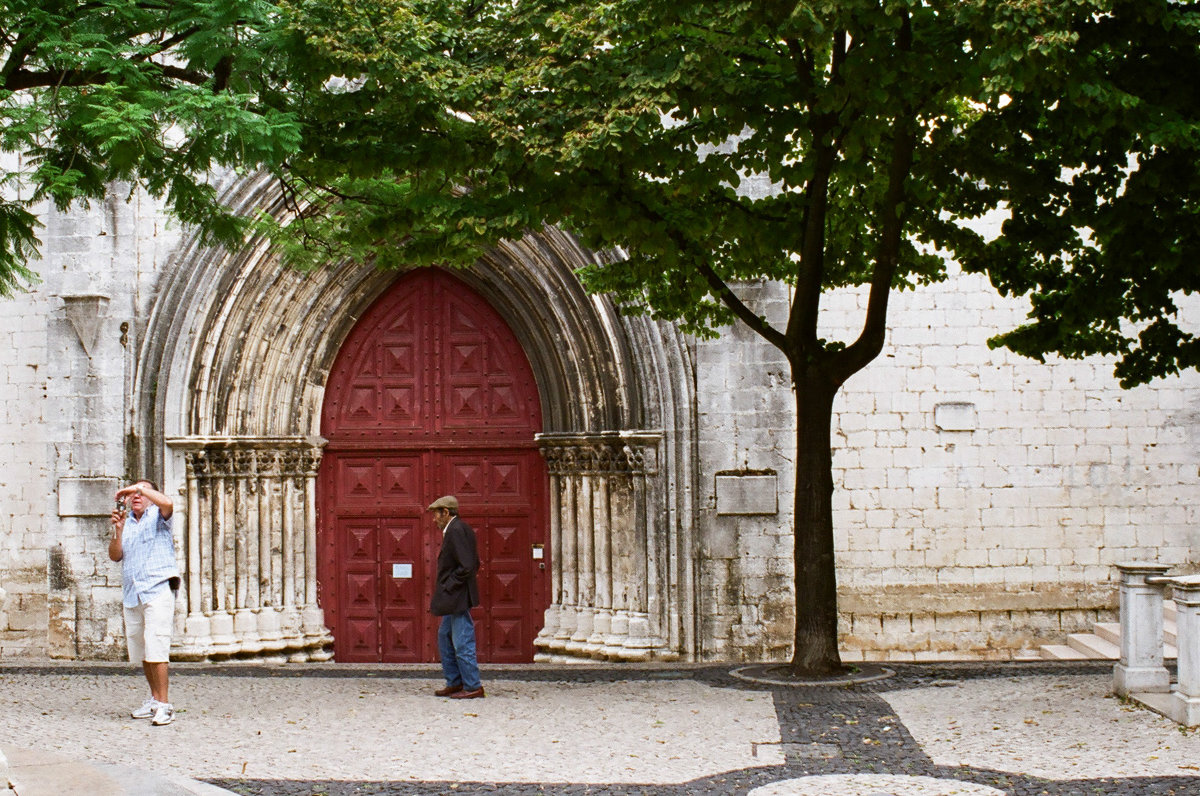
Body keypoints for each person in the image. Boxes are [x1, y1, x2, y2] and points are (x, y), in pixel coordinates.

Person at [109, 480, 179, 725]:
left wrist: (139, 488)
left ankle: (164, 704)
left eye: (141, 492)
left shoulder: (159, 518)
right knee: (143, 650)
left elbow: (168, 503)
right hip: (133, 593)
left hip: (157, 588)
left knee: (157, 646)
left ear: (150, 496)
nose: (136, 496)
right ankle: (153, 699)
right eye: (133, 492)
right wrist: (117, 530)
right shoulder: (127, 523)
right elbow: (115, 555)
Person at [428, 495, 484, 699]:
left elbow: (468, 565)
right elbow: (473, 562)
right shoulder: (457, 529)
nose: (434, 519)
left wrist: (449, 585)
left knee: (462, 642)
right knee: (445, 637)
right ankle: (455, 681)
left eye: (436, 514)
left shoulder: (456, 530)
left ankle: (472, 686)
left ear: (446, 512)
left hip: (457, 597)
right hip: (454, 598)